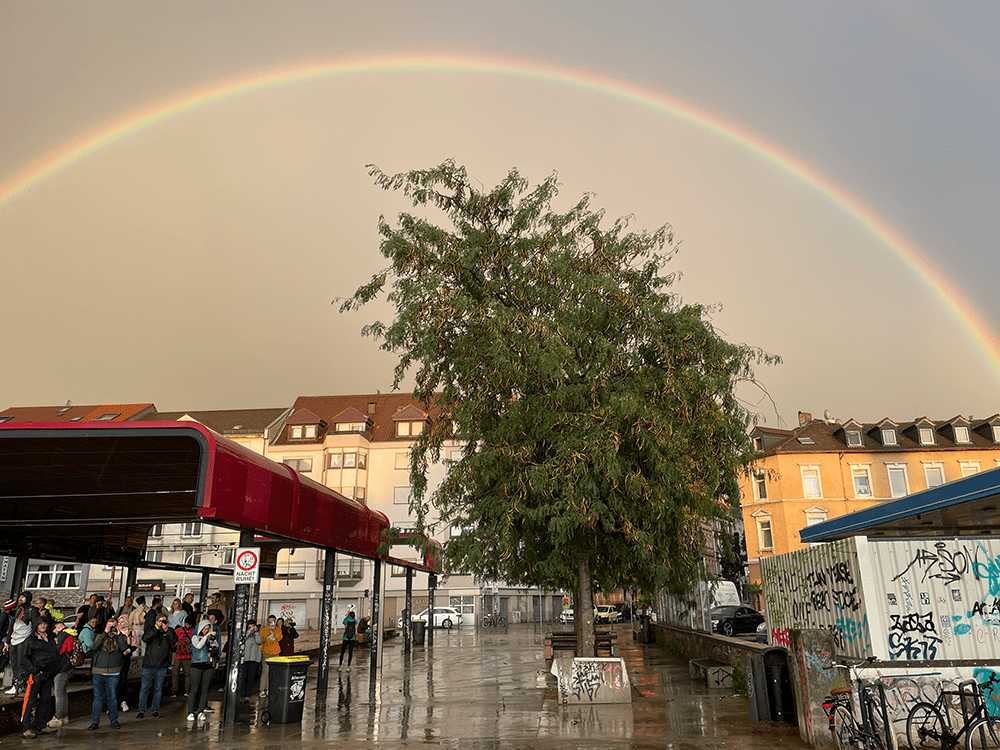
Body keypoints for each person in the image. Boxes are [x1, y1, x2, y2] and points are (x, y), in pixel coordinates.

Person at [21, 619, 60, 738]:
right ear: (36, 626)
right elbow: (24, 658)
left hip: (48, 675)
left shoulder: (51, 638)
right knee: (31, 701)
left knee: (46, 700)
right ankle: (26, 728)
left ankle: (41, 725)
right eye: (40, 624)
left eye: (44, 623)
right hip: (36, 675)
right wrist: (34, 671)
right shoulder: (31, 640)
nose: (43, 626)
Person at [88, 619, 128, 731]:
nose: (112, 629)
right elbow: (94, 647)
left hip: (114, 672)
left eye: (113, 626)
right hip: (98, 671)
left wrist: (119, 634)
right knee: (97, 698)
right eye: (110, 626)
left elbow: (124, 648)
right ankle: (94, 722)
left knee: (112, 697)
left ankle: (114, 720)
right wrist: (105, 633)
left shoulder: (120, 637)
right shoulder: (99, 636)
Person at [136, 612, 177, 718]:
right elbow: (145, 638)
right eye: (161, 621)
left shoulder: (169, 631)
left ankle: (155, 710)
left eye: (164, 621)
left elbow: (174, 640)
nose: (162, 623)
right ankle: (141, 710)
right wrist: (156, 628)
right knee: (144, 688)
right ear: (156, 621)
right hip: (148, 664)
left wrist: (166, 629)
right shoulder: (151, 630)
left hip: (162, 666)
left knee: (158, 689)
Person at [186, 619, 218, 721]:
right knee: (194, 690)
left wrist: (212, 642)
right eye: (204, 629)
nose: (205, 631)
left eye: (207, 629)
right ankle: (190, 712)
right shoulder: (195, 637)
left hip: (208, 665)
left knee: (205, 690)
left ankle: (200, 711)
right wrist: (206, 636)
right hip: (196, 665)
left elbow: (216, 649)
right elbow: (199, 645)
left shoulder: (210, 638)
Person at [8, 591, 38, 697]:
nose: (20, 599)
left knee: (21, 662)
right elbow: (11, 625)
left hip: (24, 639)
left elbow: (35, 626)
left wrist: (32, 640)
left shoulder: (32, 610)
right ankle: (16, 683)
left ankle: (20, 684)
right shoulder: (18, 610)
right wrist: (7, 641)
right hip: (14, 639)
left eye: (23, 597)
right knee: (14, 662)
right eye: (20, 596)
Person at [48, 622, 76, 728]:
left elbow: (57, 652)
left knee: (58, 693)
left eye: (54, 630)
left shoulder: (61, 636)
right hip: (69, 667)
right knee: (63, 693)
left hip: (62, 668)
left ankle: (58, 717)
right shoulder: (71, 634)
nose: (54, 633)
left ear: (59, 627)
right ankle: (64, 716)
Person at [114, 614, 138, 713]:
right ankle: (113, 703)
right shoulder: (115, 632)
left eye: (122, 622)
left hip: (125, 659)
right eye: (119, 622)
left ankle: (122, 701)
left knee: (123, 681)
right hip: (115, 659)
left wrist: (129, 650)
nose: (120, 624)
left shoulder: (131, 631)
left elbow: (134, 645)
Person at [171, 614, 195, 697]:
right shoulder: (179, 630)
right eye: (186, 623)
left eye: (188, 624)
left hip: (188, 655)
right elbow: (173, 638)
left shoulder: (194, 631)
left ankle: (187, 690)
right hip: (178, 654)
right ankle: (174, 690)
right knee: (175, 673)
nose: (186, 625)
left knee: (187, 673)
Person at [259, 615, 282, 696]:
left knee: (274, 672)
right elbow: (261, 639)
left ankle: (270, 688)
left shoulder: (278, 629)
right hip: (266, 653)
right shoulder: (264, 629)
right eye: (270, 622)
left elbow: (279, 638)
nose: (271, 624)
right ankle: (262, 689)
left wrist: (275, 630)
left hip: (275, 653)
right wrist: (268, 631)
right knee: (265, 672)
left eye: (273, 622)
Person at [240, 620, 262, 701]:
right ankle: (241, 694)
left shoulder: (257, 633)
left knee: (251, 678)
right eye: (250, 625)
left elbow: (259, 641)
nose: (251, 627)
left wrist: (256, 632)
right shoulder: (244, 633)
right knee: (243, 677)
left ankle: (247, 695)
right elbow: (242, 641)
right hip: (245, 658)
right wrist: (248, 632)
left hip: (254, 658)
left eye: (253, 625)